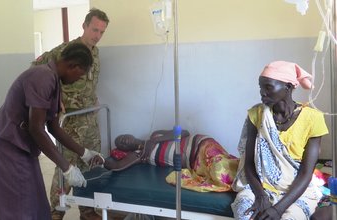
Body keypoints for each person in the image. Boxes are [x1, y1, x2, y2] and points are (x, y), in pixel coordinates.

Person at [0, 43, 104, 220]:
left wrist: (83, 152)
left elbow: (53, 127)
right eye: (79, 76)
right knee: (19, 209)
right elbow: (36, 128)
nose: (77, 80)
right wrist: (67, 167)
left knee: (36, 205)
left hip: (22, 150)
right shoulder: (43, 77)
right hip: (7, 150)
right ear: (72, 66)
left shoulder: (53, 80)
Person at [32, 8, 110, 220]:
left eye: (102, 32)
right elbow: (36, 70)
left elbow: (89, 83)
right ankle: (55, 214)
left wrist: (93, 99)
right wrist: (54, 101)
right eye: (94, 29)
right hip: (69, 125)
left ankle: (87, 211)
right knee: (64, 172)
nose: (97, 35)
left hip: (90, 122)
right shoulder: (66, 50)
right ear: (84, 26)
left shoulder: (95, 53)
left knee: (90, 168)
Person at [230, 61, 329, 220]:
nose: (262, 93)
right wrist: (261, 196)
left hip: (296, 192)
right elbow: (248, 163)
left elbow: (305, 173)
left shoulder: (313, 119)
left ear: (288, 87)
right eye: (260, 87)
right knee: (244, 214)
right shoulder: (257, 115)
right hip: (260, 188)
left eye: (268, 87)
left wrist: (278, 209)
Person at [104, 129, 240, 192]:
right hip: (195, 161)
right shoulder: (139, 155)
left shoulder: (155, 134)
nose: (122, 140)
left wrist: (156, 140)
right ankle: (246, 180)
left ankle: (247, 175)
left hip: (200, 143)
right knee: (220, 172)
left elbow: (183, 132)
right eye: (121, 143)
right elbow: (116, 166)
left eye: (122, 136)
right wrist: (99, 159)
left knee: (221, 164)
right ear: (125, 149)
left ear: (130, 133)